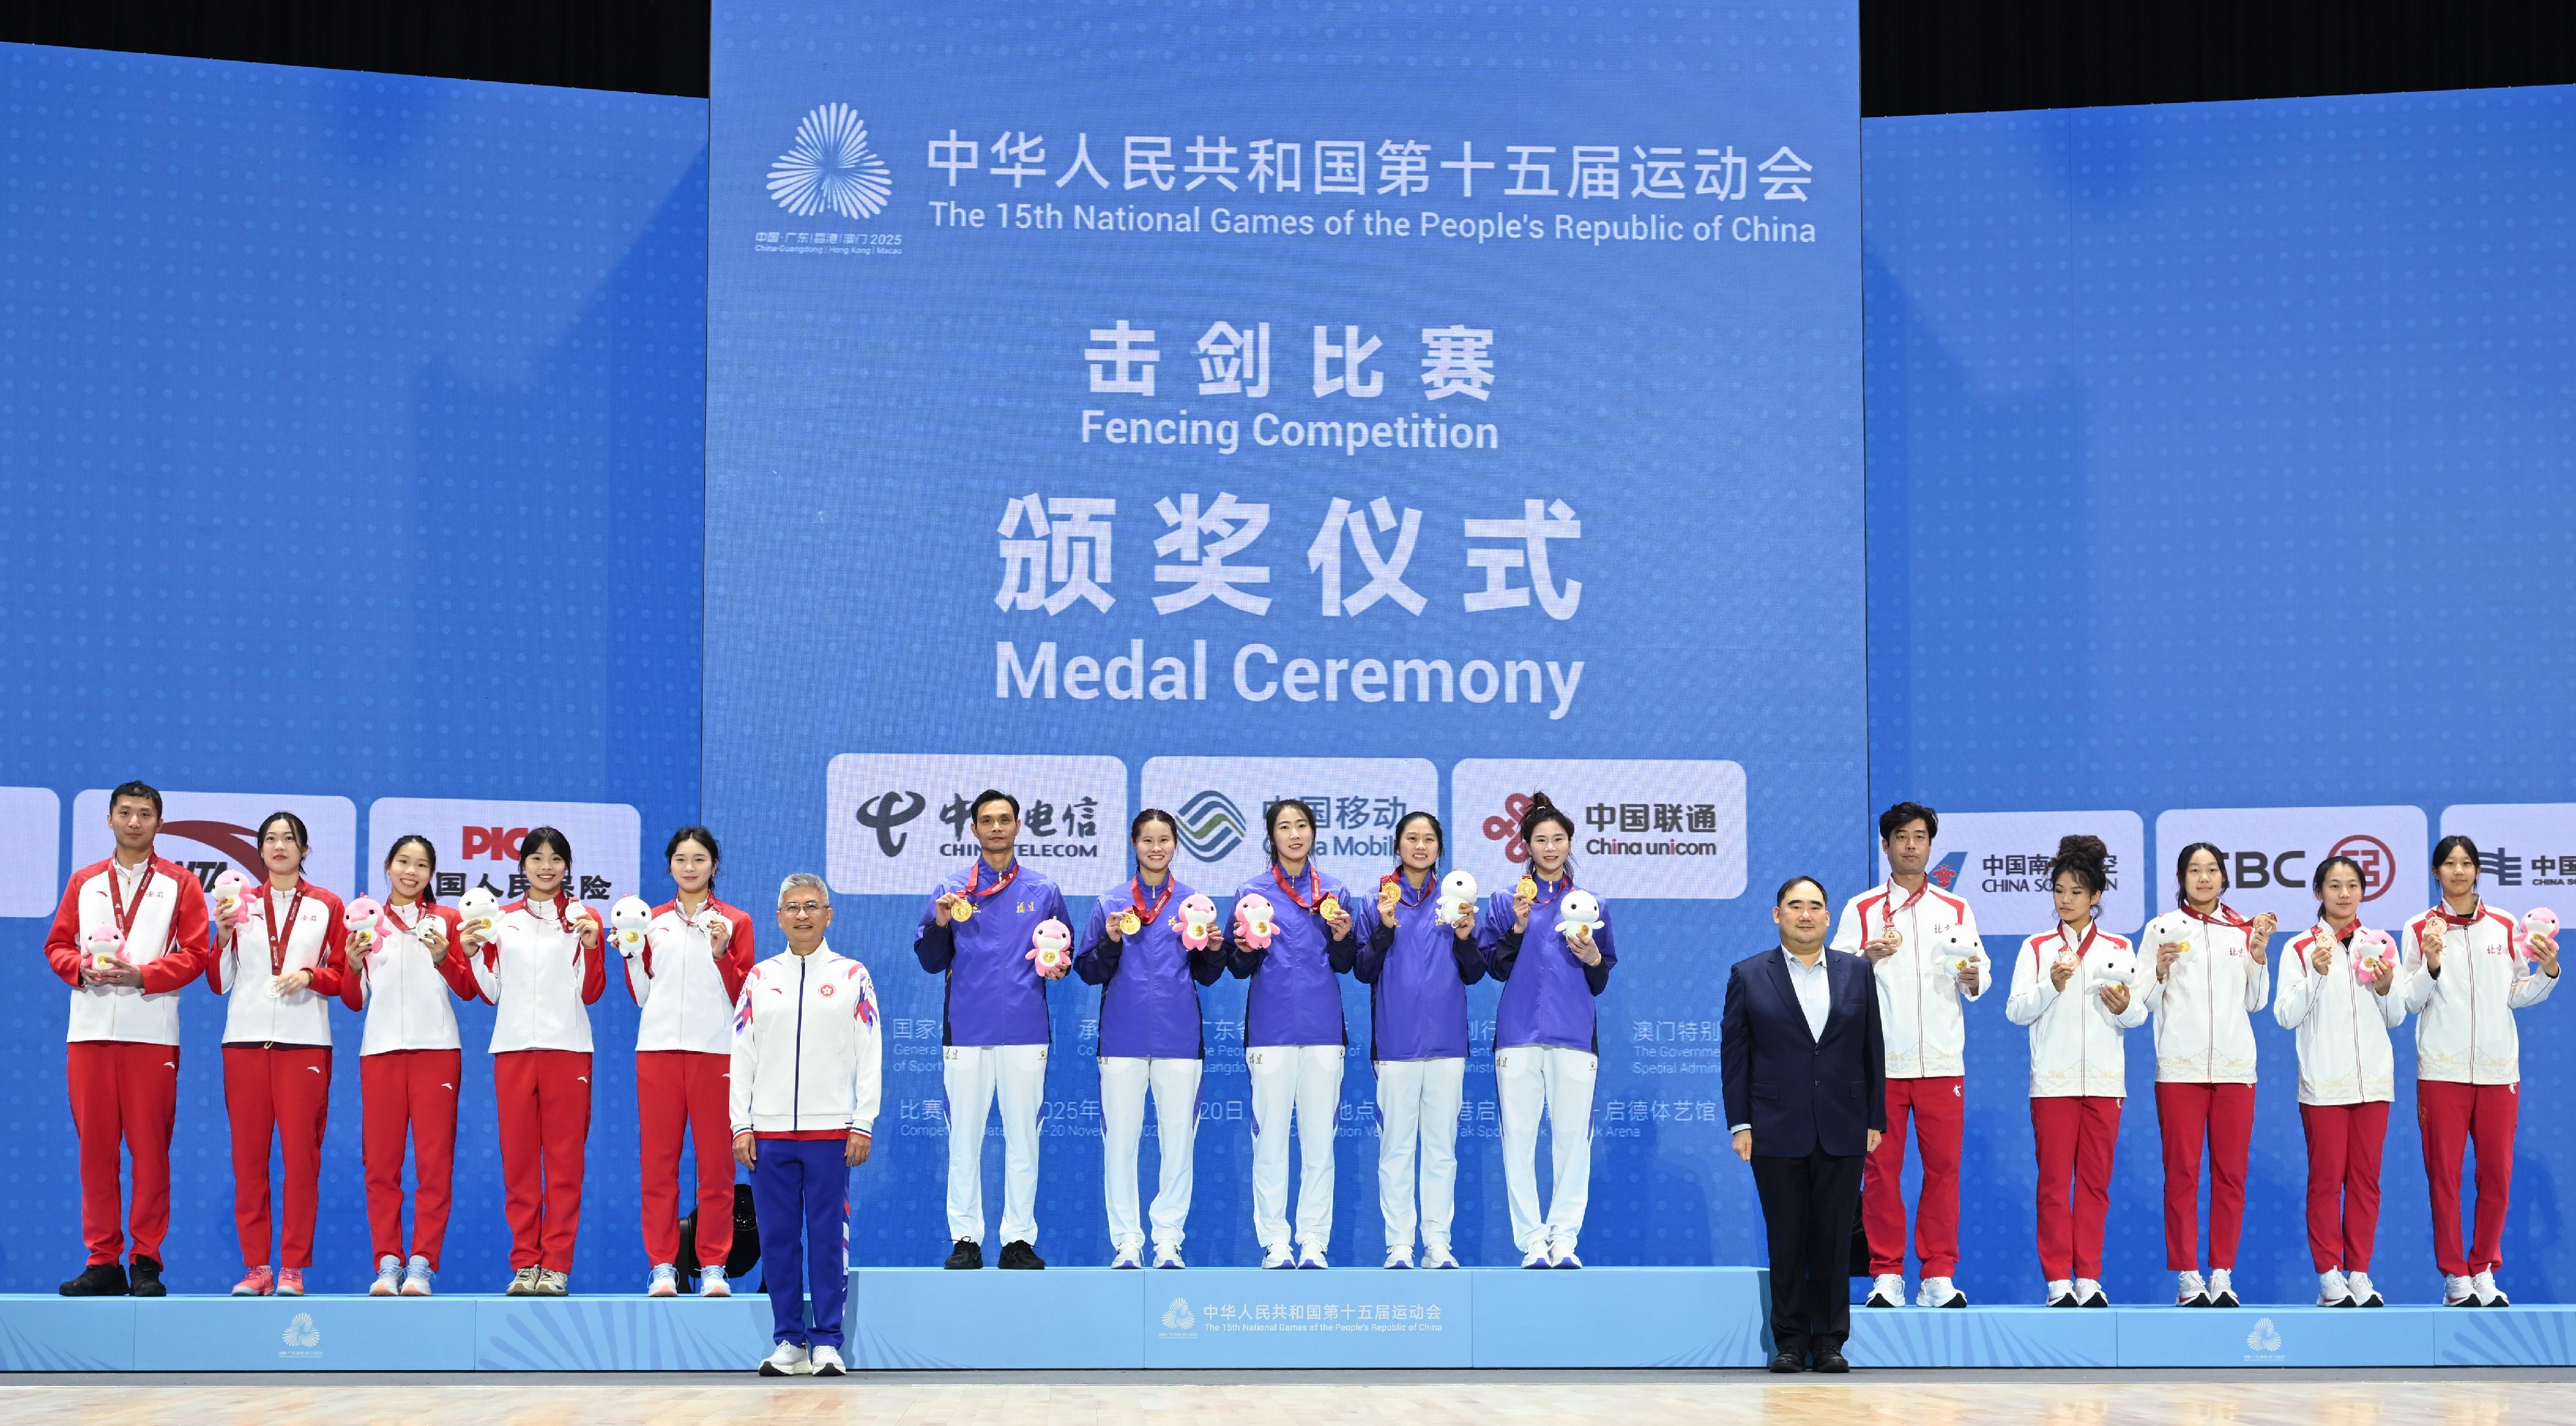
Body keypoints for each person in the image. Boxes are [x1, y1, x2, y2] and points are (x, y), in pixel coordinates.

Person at [44, 781, 213, 1298]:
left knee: (149, 1150)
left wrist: (142, 975)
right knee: (96, 1151)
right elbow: (56, 946)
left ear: (159, 822)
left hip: (152, 1034)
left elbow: (197, 953)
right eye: (126, 813)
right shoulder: (85, 881)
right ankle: (103, 1260)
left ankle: (145, 1260)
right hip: (90, 1032)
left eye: (145, 813)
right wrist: (81, 970)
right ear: (110, 820)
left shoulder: (181, 884)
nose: (135, 821)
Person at [1723, 876, 1885, 1375]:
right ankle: (1791, 1341)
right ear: (1778, 915)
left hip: (1843, 1124)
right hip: (1774, 1126)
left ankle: (1831, 1342)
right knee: (1787, 1237)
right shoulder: (1749, 975)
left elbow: (1872, 1049)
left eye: (1816, 905)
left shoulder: (1857, 973)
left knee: (1835, 1239)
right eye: (1795, 906)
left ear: (1829, 916)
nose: (1806, 915)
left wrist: (1874, 1118)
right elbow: (1735, 1056)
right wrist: (1740, 1123)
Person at [1830, 801, 1985, 1308]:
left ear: (1930, 845)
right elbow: (1834, 976)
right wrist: (1866, 957)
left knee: (1944, 1171)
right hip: (1880, 1064)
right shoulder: (1863, 908)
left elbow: (1979, 978)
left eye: (1920, 836)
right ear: (1886, 844)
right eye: (1902, 836)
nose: (1911, 845)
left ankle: (1938, 1274)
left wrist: (1972, 978)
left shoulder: (1956, 909)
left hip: (1942, 1063)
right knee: (1880, 1172)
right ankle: (1887, 1273)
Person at [732, 873, 881, 1378]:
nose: (802, 915)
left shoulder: (852, 975)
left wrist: (862, 1122)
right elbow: (742, 1051)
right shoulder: (760, 977)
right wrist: (741, 1124)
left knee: (826, 1236)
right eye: (792, 907)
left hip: (830, 1133)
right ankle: (789, 1340)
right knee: (777, 1239)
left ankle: (827, 1343)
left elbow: (870, 1052)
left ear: (828, 915)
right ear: (779, 917)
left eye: (812, 906)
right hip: (769, 1133)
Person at [2401, 835, 2560, 1306]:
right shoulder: (2418, 928)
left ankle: (2484, 1267)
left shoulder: (2506, 926)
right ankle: (2455, 1277)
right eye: (2449, 864)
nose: (2458, 871)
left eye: (2466, 863)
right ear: (2436, 873)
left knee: (2497, 1174)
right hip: (2441, 1072)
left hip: (2497, 1071)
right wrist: (2430, 963)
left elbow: (2514, 993)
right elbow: (2409, 1001)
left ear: (2477, 871)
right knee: (2444, 1177)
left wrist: (2547, 974)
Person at [916, 789, 1070, 1270]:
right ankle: (966, 1237)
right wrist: (940, 923)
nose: (997, 828)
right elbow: (929, 960)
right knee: (965, 1138)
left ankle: (1018, 1239)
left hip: (1026, 1029)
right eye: (987, 820)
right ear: (974, 830)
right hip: (966, 1028)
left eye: (1005, 819)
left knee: (1024, 1136)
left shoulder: (1043, 890)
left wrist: (1058, 967)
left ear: (1019, 826)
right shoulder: (952, 889)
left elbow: (1061, 954)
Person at [205, 811, 350, 1297]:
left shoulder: (328, 904)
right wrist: (222, 934)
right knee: (248, 1161)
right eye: (271, 839)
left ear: (305, 850)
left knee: (301, 1159)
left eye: (290, 839)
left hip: (304, 1043)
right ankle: (255, 1268)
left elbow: (345, 979)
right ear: (260, 850)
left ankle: (292, 1266)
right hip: (244, 1044)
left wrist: (310, 976)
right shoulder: (238, 903)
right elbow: (219, 981)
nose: (280, 846)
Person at [1073, 809, 1224, 1268]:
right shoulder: (1111, 904)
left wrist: (1215, 949)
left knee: (1178, 1144)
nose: (1156, 848)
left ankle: (1168, 1241)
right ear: (1133, 845)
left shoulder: (1196, 904)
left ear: (1177, 845)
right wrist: (1112, 940)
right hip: (1121, 1039)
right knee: (1121, 1143)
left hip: (1180, 1040)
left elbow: (1208, 975)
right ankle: (1126, 1242)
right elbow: (1087, 970)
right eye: (1147, 841)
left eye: (1164, 840)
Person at [2004, 833, 2145, 1307]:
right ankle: (2057, 1281)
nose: (2066, 900)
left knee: (2094, 1186)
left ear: (2097, 897)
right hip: (2054, 1084)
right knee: (2052, 1184)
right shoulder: (2037, 947)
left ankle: (2088, 1277)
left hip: (2105, 1083)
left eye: (2077, 892)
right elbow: (2016, 1011)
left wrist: (2125, 1006)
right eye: (2059, 891)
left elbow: (2138, 1015)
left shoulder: (2121, 946)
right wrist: (2051, 985)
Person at [465, 827, 605, 1295]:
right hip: (513, 1051)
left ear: (567, 866)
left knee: (565, 1165)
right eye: (536, 858)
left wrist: (590, 944)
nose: (546, 866)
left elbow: (593, 992)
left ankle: (558, 1266)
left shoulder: (587, 919)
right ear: (522, 865)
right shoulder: (500, 922)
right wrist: (472, 953)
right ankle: (526, 1263)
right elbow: (490, 993)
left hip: (568, 1051)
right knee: (521, 1165)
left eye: (556, 859)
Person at [1480, 792, 1615, 1269]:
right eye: (1541, 840)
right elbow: (1492, 966)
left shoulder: (1589, 904)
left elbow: (1601, 976)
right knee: (1518, 1139)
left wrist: (1594, 957)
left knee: (1573, 1140)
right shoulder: (1506, 901)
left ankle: (1564, 1238)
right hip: (1517, 1035)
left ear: (1570, 843)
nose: (1551, 847)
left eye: (1559, 839)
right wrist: (1516, 928)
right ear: (1526, 847)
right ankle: (1532, 1240)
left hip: (1575, 1035)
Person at [2138, 842, 2275, 1307]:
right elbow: (2143, 1003)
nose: (2203, 878)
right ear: (2181, 877)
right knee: (2182, 1174)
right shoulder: (2161, 929)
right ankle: (2188, 1276)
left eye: (2212, 869)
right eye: (2194, 870)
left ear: (2224, 877)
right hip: (2180, 1068)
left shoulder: (2242, 930)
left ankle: (2221, 1273)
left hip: (2236, 1069)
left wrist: (2258, 954)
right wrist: (2157, 970)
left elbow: (2256, 1003)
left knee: (2231, 1175)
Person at [343, 833, 477, 1297]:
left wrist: (444, 956)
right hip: (379, 1052)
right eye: (403, 861)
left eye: (421, 865)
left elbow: (468, 988)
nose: (411, 871)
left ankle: (421, 1264)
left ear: (431, 874)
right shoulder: (365, 921)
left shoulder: (448, 920)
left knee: (433, 1165)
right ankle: (387, 1262)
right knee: (381, 1166)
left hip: (437, 1052)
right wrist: (350, 963)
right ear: (387, 864)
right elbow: (351, 999)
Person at [627, 826, 756, 1297]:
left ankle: (713, 1266)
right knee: (659, 1166)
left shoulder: (736, 922)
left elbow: (744, 996)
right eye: (681, 858)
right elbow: (641, 996)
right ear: (669, 866)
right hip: (658, 1054)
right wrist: (633, 956)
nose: (690, 866)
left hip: (716, 1054)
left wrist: (722, 953)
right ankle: (663, 1265)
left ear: (714, 866)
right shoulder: (650, 922)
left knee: (717, 1167)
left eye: (699, 858)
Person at [1229, 798, 1358, 1268]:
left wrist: (1343, 936)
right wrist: (1242, 947)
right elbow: (1237, 965)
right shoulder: (1252, 892)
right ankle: (1275, 1242)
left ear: (1314, 832)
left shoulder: (1337, 893)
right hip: (1270, 1030)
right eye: (1284, 827)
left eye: (1302, 825)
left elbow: (1350, 964)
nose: (1295, 834)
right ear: (1272, 837)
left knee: (1320, 1142)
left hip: (1324, 1031)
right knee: (1271, 1142)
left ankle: (1313, 1242)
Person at [2274, 854, 2405, 1307]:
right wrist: (2316, 972)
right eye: (2334, 885)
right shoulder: (2298, 949)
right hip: (2324, 1083)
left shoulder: (2383, 944)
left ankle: (2360, 1272)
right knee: (2327, 1181)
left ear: (2363, 892)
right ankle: (2329, 1274)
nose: (2344, 893)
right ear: (2318, 893)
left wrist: (2388, 986)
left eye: (2352, 885)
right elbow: (2286, 1016)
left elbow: (2396, 1016)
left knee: (2367, 1182)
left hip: (2374, 1083)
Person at [1354, 811, 1484, 1269]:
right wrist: (1386, 928)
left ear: (1439, 848)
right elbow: (1362, 970)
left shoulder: (1456, 901)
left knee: (1441, 1149)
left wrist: (1467, 938)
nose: (1421, 846)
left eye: (1429, 839)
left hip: (1448, 1045)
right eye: (1412, 838)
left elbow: (1474, 972)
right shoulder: (1376, 902)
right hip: (1395, 1044)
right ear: (1398, 845)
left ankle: (1437, 1245)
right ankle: (1399, 1247)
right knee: (1396, 1150)